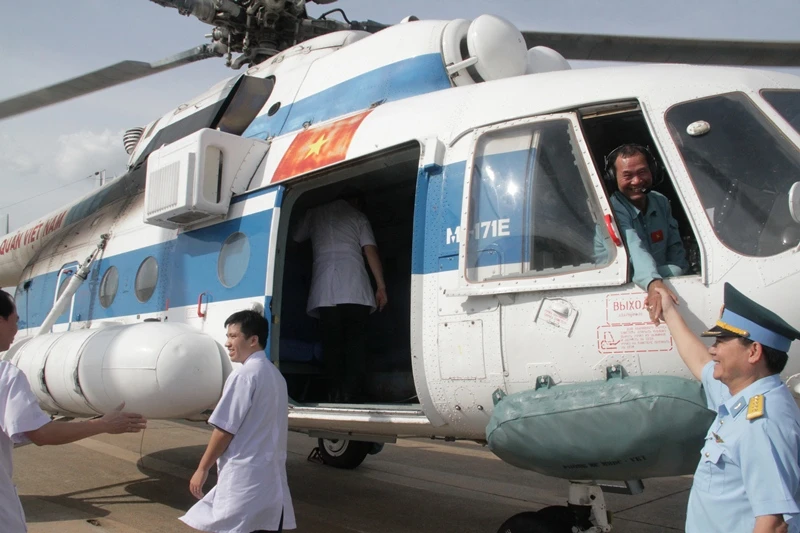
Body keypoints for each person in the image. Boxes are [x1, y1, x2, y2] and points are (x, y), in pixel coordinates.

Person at [654, 282, 800, 533]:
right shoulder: (744, 392)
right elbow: (700, 361)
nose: (712, 350)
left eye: (720, 342)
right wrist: (668, 311)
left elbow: (773, 523)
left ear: (754, 352)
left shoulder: (761, 423)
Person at [0, 289, 147, 533]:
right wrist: (102, 424)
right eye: (15, 321)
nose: (17, 329)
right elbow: (41, 434)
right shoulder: (6, 376)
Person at [181, 310, 295, 533]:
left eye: (233, 336)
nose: (227, 343)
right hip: (271, 481)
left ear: (253, 340)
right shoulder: (276, 376)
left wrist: (202, 468)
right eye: (228, 336)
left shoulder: (244, 375)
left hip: (245, 479)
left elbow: (224, 429)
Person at [293, 188, 388, 402]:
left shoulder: (314, 213)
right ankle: (352, 395)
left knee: (331, 345)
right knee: (356, 344)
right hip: (355, 289)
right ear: (356, 201)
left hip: (324, 290)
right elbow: (370, 250)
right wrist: (381, 286)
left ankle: (334, 394)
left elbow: (296, 237)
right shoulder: (358, 216)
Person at [604, 144, 688, 324]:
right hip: (624, 281)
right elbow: (634, 248)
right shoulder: (613, 210)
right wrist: (653, 283)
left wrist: (682, 275)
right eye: (627, 176)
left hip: (658, 275)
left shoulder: (661, 201)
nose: (636, 181)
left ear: (652, 172)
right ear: (613, 178)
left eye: (642, 172)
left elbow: (675, 246)